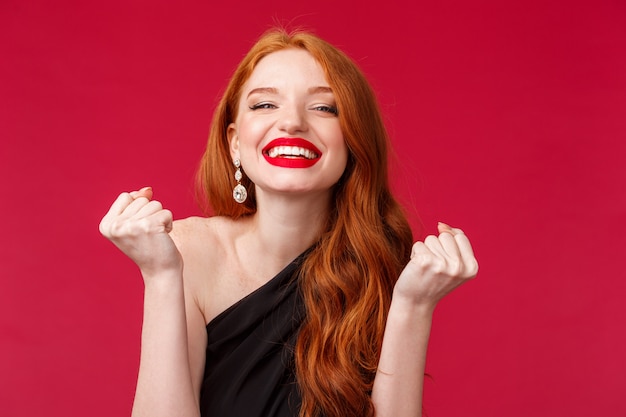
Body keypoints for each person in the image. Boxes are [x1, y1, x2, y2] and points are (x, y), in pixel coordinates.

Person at [99, 28, 478, 417]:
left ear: (353, 141)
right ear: (234, 142)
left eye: (324, 108)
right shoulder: (187, 252)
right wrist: (161, 276)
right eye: (265, 105)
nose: (292, 122)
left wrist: (413, 305)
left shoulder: (383, 263)